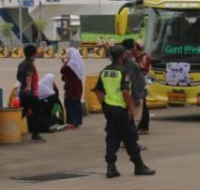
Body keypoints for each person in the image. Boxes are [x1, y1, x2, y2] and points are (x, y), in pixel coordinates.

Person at [93, 45, 154, 178]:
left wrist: (104, 105)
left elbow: (98, 91)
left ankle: (111, 167)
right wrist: (131, 108)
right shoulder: (123, 72)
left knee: (112, 137)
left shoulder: (104, 71)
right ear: (123, 56)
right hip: (122, 109)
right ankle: (139, 166)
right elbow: (125, 91)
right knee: (130, 136)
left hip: (109, 109)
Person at [16, 44, 44, 143]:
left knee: (22, 113)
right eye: (36, 52)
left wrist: (24, 86)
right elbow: (29, 75)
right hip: (30, 93)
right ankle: (35, 135)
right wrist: (28, 86)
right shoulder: (29, 64)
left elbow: (18, 78)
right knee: (37, 112)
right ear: (34, 54)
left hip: (23, 92)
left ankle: (11, 131)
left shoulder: (21, 64)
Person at [121, 39, 150, 134]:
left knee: (142, 108)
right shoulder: (130, 61)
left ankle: (142, 127)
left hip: (138, 89)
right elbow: (132, 79)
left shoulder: (142, 57)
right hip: (131, 91)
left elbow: (143, 70)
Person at [60, 46, 86, 128]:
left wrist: (65, 62)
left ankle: (72, 122)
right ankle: (77, 121)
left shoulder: (70, 65)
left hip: (71, 87)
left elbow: (62, 70)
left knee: (70, 104)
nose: (67, 56)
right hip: (77, 87)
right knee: (76, 103)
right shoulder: (77, 64)